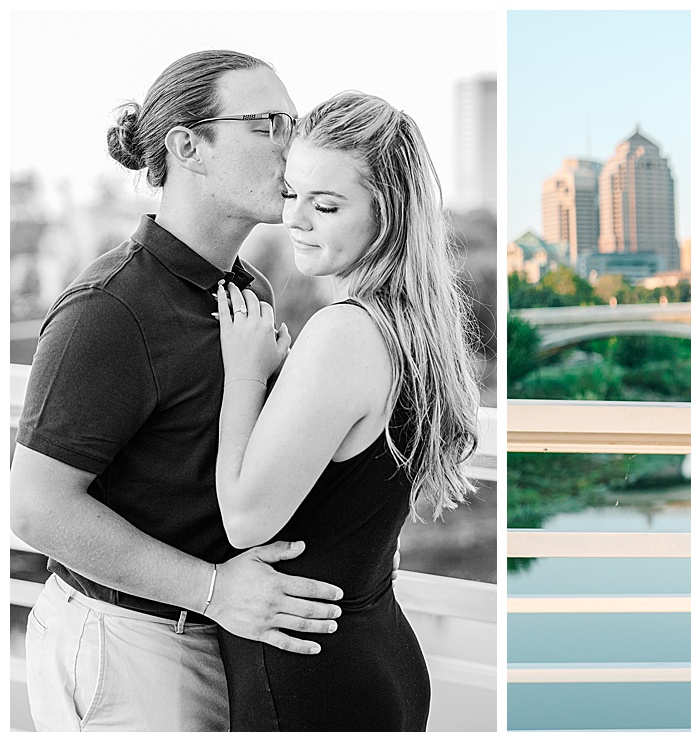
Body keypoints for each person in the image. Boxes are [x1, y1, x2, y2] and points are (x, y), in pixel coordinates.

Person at [11, 50, 347, 732]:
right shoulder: (109, 310)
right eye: (268, 124)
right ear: (188, 146)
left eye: (297, 122)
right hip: (128, 643)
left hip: (216, 634)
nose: (295, 146)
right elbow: (35, 509)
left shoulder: (248, 289)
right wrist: (216, 589)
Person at [210, 91, 480, 731]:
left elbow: (246, 518)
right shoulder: (408, 330)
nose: (294, 219)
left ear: (385, 218)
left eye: (325, 205)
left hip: (310, 675)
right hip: (371, 652)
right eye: (291, 194)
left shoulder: (343, 335)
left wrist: (245, 373)